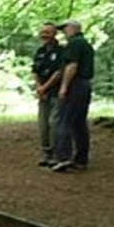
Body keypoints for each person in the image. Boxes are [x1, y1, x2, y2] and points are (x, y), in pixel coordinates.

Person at [51, 19, 95, 172]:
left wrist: (64, 87)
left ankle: (63, 157)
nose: (63, 31)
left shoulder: (74, 43)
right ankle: (81, 158)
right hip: (85, 84)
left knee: (64, 121)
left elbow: (72, 66)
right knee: (79, 122)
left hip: (75, 85)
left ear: (72, 28)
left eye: (64, 28)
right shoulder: (85, 44)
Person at [31, 22, 63, 166]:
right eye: (42, 32)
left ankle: (57, 154)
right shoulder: (40, 51)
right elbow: (35, 71)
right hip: (42, 94)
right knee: (43, 125)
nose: (44, 35)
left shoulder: (62, 51)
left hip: (56, 92)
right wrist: (39, 88)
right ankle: (46, 153)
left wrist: (45, 87)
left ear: (55, 34)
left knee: (54, 123)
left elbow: (59, 72)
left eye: (48, 32)